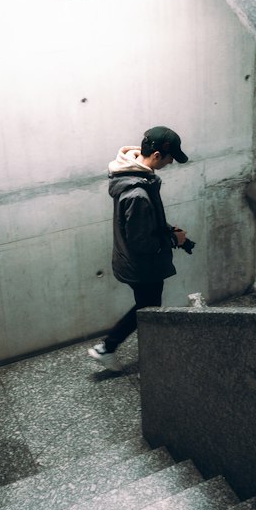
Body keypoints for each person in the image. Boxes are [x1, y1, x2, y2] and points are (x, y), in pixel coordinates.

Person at [88, 126, 189, 368]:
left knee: (147, 307)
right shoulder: (138, 193)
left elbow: (142, 223)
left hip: (133, 261)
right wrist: (175, 240)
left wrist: (167, 229)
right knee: (148, 309)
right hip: (143, 265)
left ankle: (118, 348)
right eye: (170, 158)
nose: (170, 163)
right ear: (156, 156)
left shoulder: (133, 178)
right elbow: (142, 242)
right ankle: (110, 348)